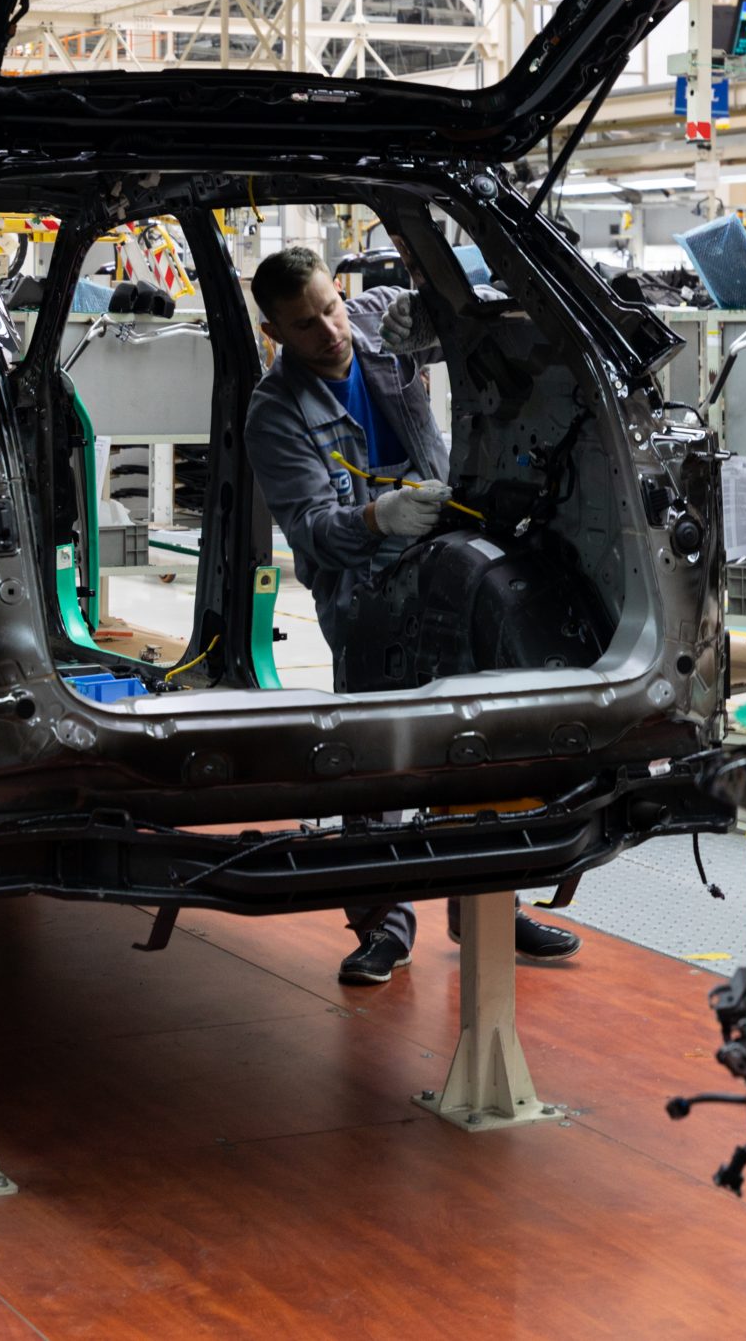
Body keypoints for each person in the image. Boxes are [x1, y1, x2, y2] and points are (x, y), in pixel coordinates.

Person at [242, 244, 581, 985]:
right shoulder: (273, 413)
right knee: (374, 759)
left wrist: (434, 315)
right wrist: (378, 517)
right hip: (363, 587)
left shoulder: (369, 319)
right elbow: (313, 532)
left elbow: (480, 303)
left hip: (447, 545)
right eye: (304, 324)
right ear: (276, 333)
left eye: (330, 307)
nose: (330, 331)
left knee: (480, 729)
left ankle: (486, 899)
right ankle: (382, 922)